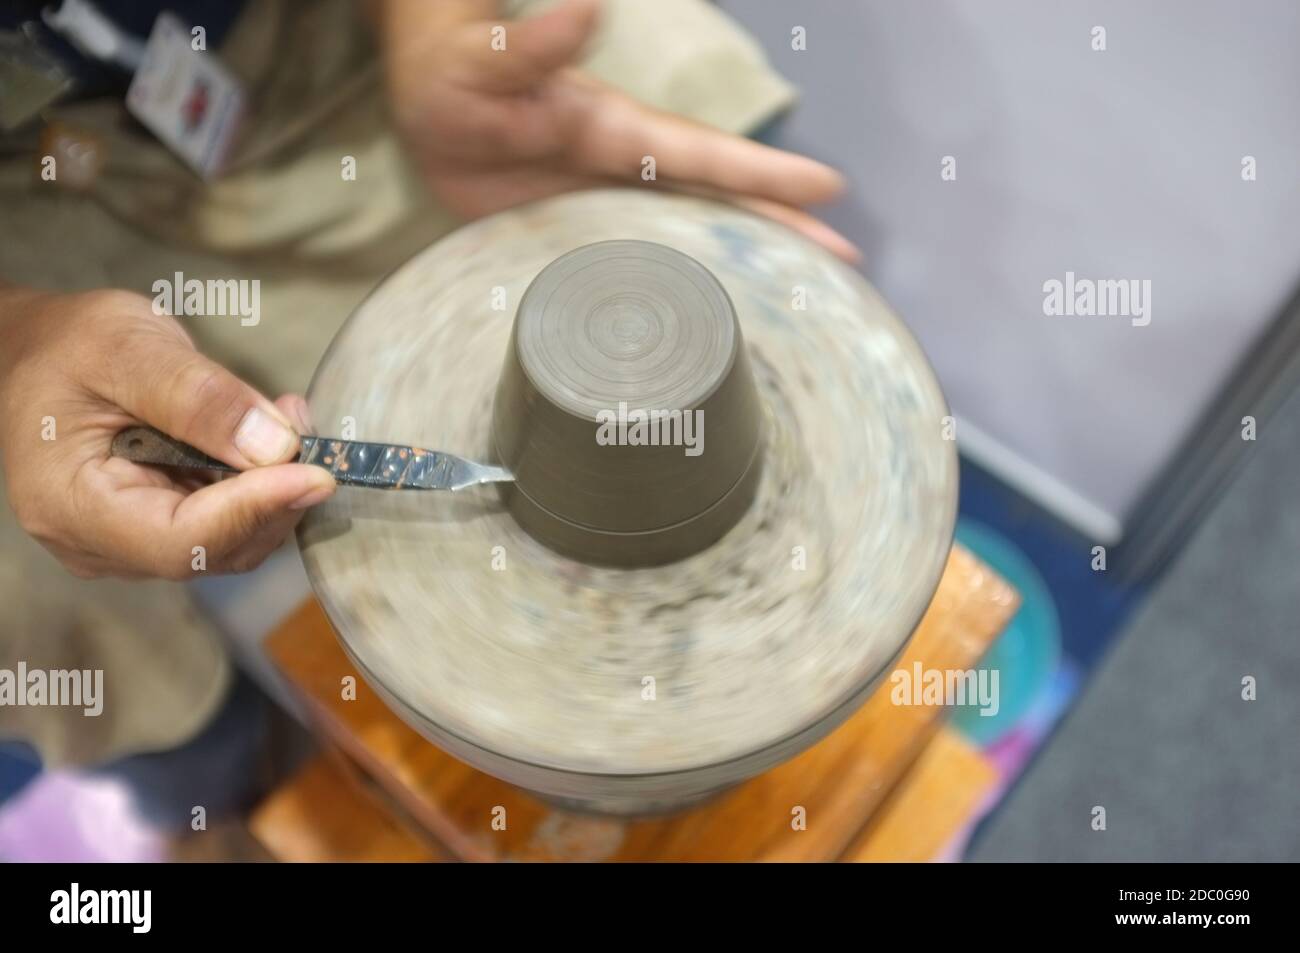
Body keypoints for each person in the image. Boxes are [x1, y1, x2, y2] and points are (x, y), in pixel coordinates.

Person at [1, 0, 853, 581]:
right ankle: (215, 787)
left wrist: (437, 26)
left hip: (333, 25)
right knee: (32, 586)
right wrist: (19, 343)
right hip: (37, 171)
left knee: (697, 129)